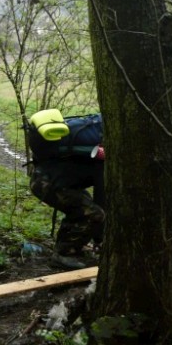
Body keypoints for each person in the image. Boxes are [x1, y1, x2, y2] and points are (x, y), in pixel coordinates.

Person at [26, 111, 105, 269]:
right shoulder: (103, 156)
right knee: (93, 213)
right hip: (47, 184)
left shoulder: (96, 145)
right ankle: (63, 254)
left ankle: (70, 247)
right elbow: (102, 198)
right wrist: (99, 239)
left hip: (47, 178)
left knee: (83, 208)